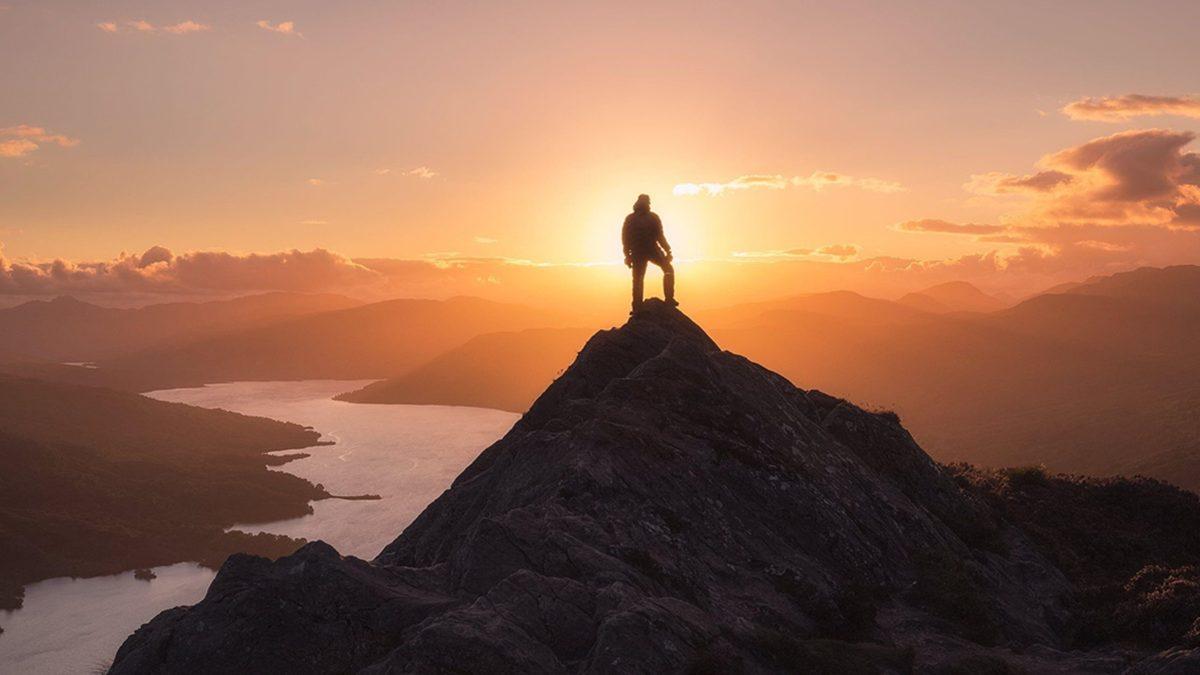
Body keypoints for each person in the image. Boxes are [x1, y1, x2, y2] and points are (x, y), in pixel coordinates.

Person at [622, 194, 677, 313]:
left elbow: (625, 238)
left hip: (642, 251)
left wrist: (627, 255)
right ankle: (667, 299)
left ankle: (638, 306)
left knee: (639, 279)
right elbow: (659, 236)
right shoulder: (649, 218)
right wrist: (667, 250)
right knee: (664, 270)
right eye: (647, 202)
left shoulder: (634, 218)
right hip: (647, 250)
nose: (648, 205)